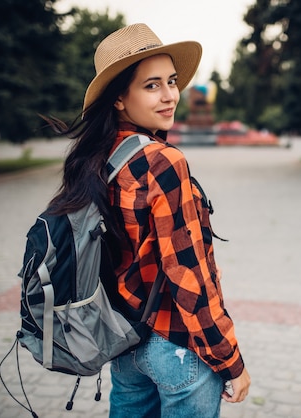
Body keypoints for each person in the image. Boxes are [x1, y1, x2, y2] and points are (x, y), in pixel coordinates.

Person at [45, 23, 250, 417]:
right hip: (177, 347)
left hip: (126, 344)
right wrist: (230, 360)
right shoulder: (162, 161)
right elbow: (188, 276)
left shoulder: (98, 158)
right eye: (152, 85)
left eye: (172, 82)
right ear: (119, 98)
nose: (170, 95)